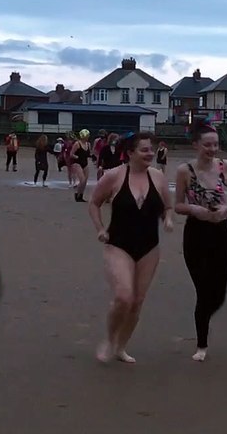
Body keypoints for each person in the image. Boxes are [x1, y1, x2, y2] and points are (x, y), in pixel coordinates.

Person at [87, 132, 174, 363]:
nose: (150, 153)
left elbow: (168, 205)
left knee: (137, 302)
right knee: (124, 296)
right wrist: (100, 228)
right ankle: (108, 339)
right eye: (144, 150)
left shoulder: (158, 177)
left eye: (151, 149)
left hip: (149, 247)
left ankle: (120, 347)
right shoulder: (114, 176)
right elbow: (94, 203)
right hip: (118, 244)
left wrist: (167, 218)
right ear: (131, 153)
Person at [173, 123, 227, 361]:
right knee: (203, 290)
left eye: (215, 144)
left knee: (219, 292)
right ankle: (201, 344)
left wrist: (226, 208)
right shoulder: (184, 171)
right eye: (207, 145)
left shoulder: (226, 167)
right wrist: (194, 209)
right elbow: (177, 205)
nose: (212, 149)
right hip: (195, 232)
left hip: (220, 230)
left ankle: (205, 316)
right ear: (196, 145)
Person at [68, 130, 91, 202]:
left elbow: (88, 154)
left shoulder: (88, 144)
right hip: (77, 163)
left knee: (85, 181)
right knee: (82, 179)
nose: (88, 137)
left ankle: (81, 195)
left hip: (85, 163)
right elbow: (71, 154)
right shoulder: (77, 144)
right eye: (86, 136)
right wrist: (77, 157)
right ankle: (77, 193)